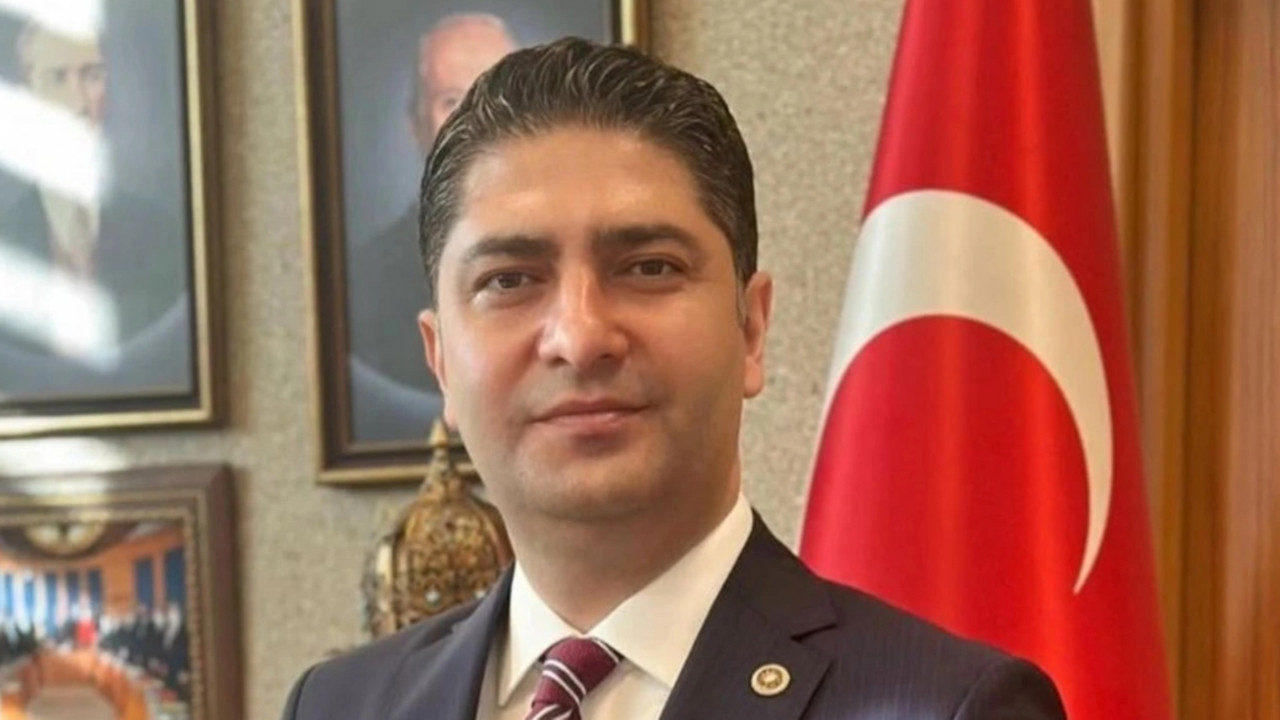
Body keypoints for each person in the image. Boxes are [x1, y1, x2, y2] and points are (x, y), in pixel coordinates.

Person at [281, 38, 1067, 719]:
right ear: (440, 361)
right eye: (511, 280)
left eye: (649, 267)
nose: (581, 337)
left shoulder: (949, 707)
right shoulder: (336, 705)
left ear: (750, 328)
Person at [345, 13, 517, 442]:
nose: (479, 123)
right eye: (452, 102)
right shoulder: (366, 280)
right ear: (416, 126)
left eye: (498, 96)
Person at [0, 20, 188, 396]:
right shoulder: (7, 239)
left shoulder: (164, 236)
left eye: (92, 75)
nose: (78, 104)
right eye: (56, 78)